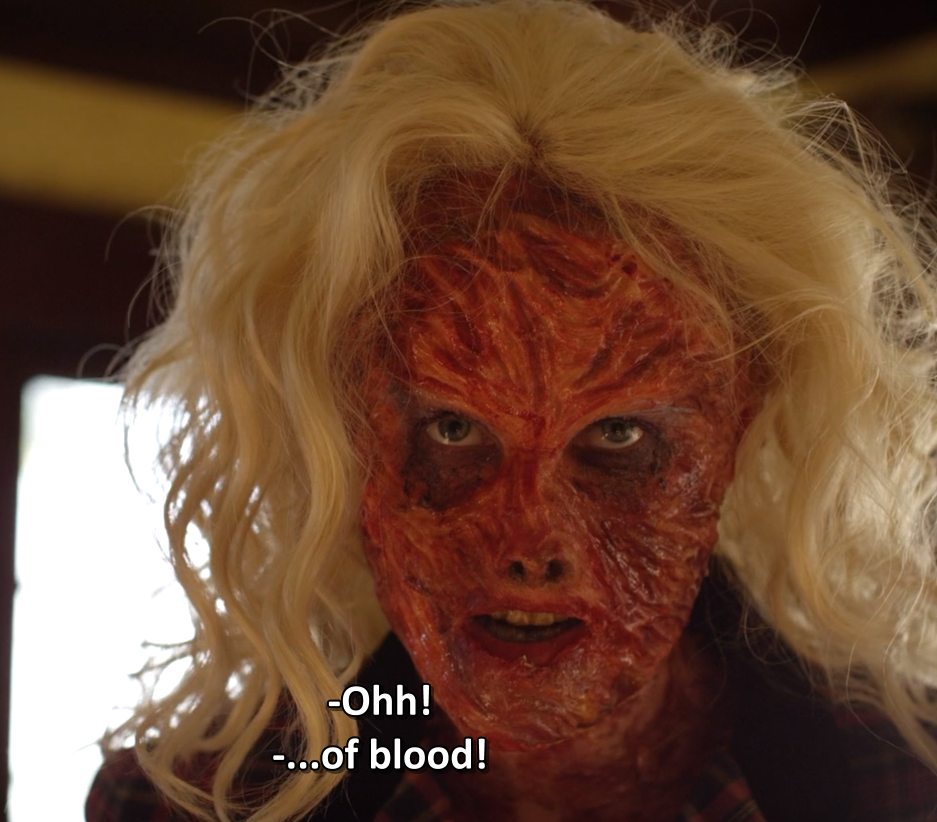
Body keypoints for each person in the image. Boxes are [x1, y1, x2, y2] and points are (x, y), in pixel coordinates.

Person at [86, 1, 937, 820]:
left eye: (619, 435)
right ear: (337, 423)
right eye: (452, 428)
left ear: (743, 420)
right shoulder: (183, 806)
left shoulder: (906, 787)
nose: (530, 542)